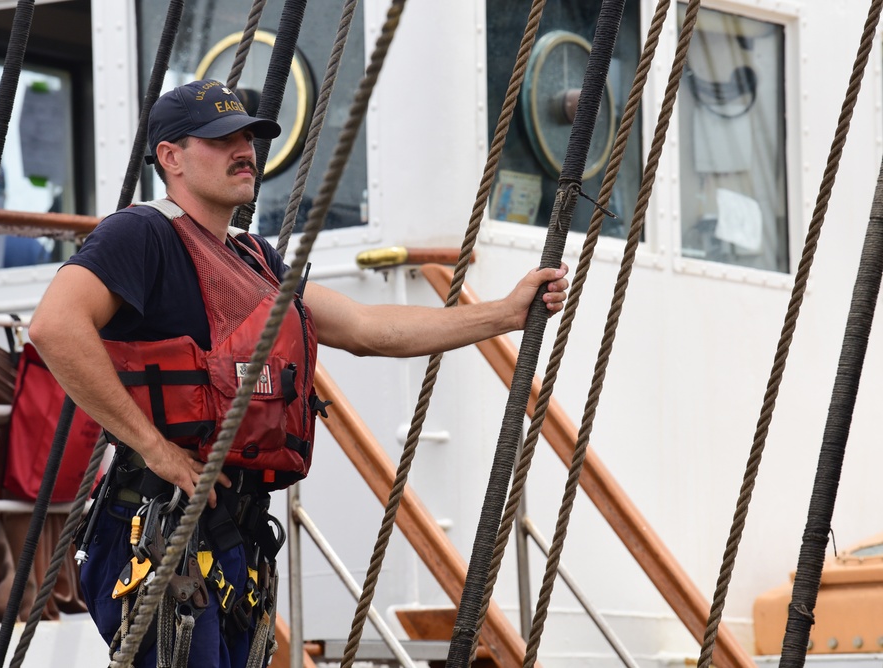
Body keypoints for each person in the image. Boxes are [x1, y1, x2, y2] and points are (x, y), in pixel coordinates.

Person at [28, 79, 569, 668]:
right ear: (171, 157)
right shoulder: (142, 234)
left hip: (231, 539)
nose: (245, 150)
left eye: (249, 137)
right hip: (158, 533)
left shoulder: (256, 257)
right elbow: (55, 327)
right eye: (221, 139)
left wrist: (506, 313)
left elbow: (367, 328)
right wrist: (154, 447)